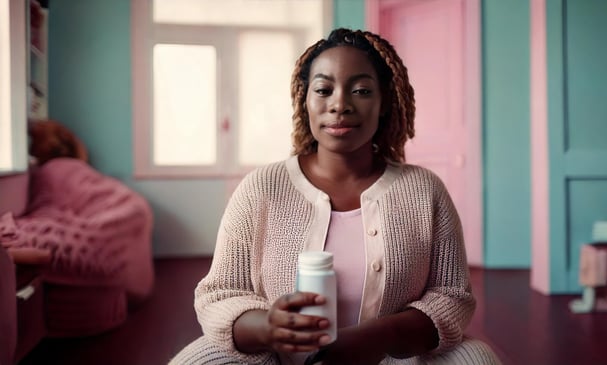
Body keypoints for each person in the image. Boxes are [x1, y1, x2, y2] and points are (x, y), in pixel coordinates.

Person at [170, 28, 501, 365]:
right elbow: (221, 293)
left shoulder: (425, 190)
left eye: (360, 90)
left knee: (478, 359)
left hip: (397, 357)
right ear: (306, 100)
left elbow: (452, 296)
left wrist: (380, 336)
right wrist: (268, 326)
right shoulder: (261, 187)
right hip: (277, 359)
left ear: (385, 101)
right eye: (323, 90)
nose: (340, 105)